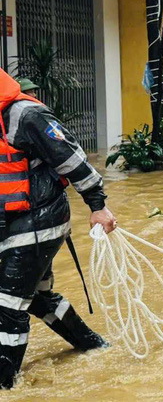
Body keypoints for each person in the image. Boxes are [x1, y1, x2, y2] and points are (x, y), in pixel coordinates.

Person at [0, 68, 116, 389]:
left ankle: (6, 385)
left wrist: (97, 206)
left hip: (40, 219)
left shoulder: (26, 115)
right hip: (11, 223)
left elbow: (73, 159)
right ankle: (93, 346)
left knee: (7, 305)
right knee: (37, 297)